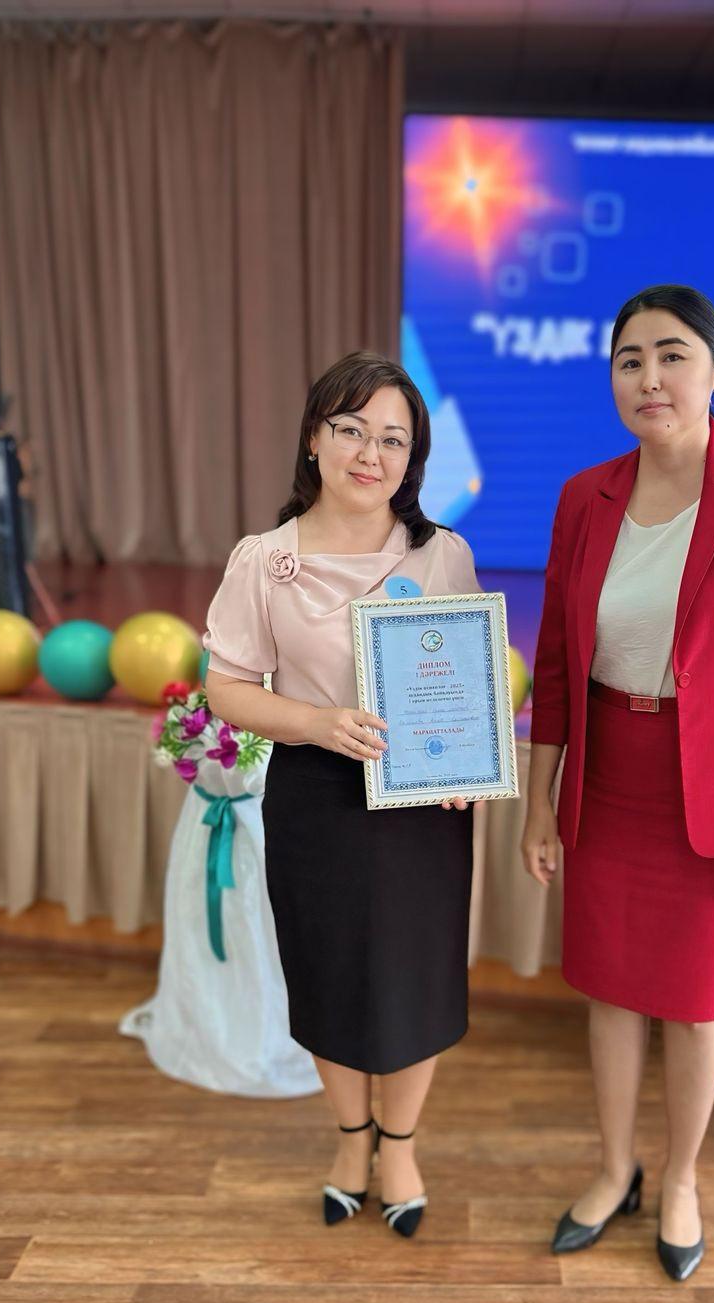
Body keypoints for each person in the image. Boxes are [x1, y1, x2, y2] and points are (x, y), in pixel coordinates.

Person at [521, 284, 714, 1282]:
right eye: (629, 360)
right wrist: (539, 801)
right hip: (608, 775)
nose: (649, 378)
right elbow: (557, 666)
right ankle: (616, 1169)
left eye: (672, 355)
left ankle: (684, 1179)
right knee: (610, 993)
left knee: (696, 1004)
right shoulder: (585, 495)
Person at [203, 351, 480, 1237]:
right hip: (315, 794)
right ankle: (351, 1140)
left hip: (422, 802)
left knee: (415, 981)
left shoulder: (441, 554)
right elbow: (226, 687)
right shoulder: (265, 560)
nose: (371, 453)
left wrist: (462, 763)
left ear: (413, 459)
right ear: (315, 439)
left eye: (393, 439)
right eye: (352, 430)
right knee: (328, 975)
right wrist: (316, 724)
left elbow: (462, 677)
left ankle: (400, 1145)